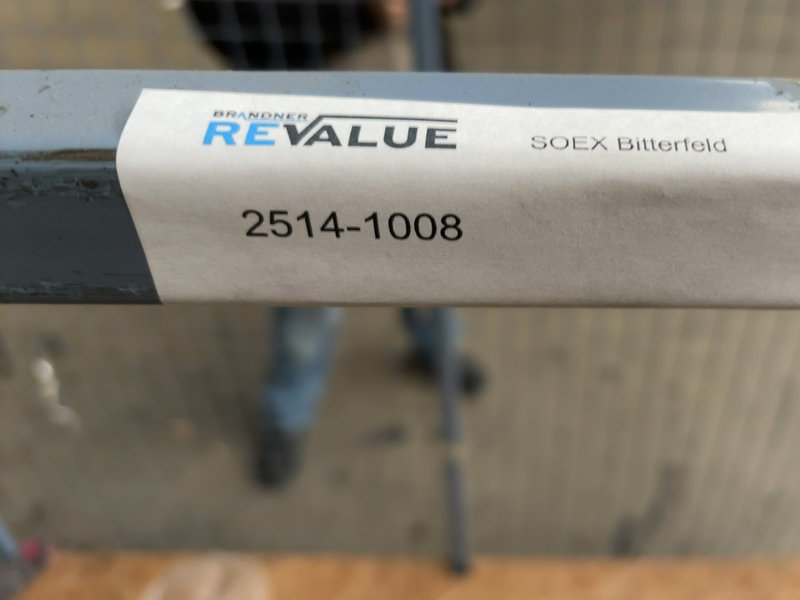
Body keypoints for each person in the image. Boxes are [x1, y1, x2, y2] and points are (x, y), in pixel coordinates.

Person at [186, 0, 484, 487]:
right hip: (312, 128)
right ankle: (287, 415)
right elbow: (224, 22)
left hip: (427, 105)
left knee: (432, 252)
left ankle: (436, 346)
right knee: (312, 297)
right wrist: (365, 11)